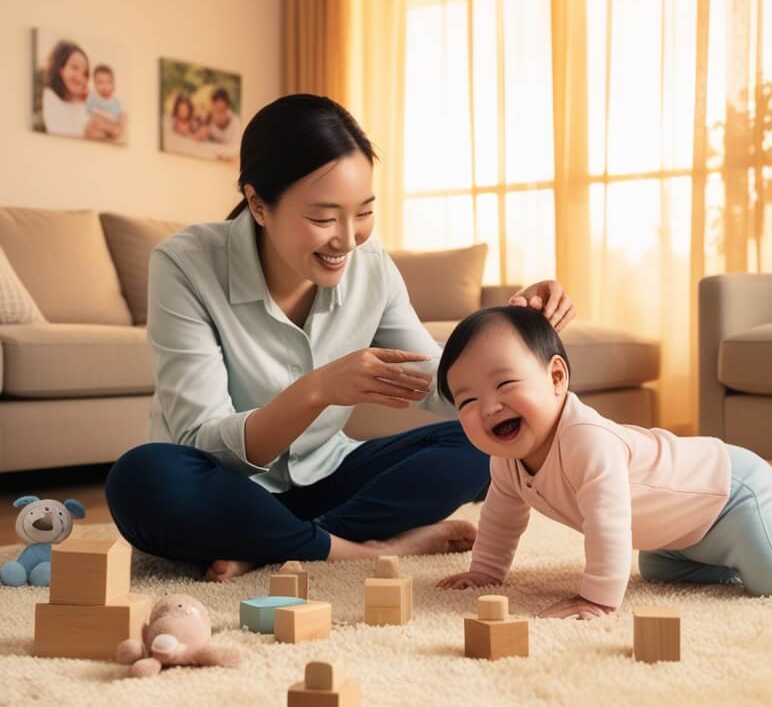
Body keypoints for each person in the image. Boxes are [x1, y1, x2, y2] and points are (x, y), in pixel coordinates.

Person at [105, 94, 575, 582]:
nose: (348, 239)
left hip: (328, 478)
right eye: (324, 218)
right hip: (223, 486)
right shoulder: (184, 265)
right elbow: (201, 441)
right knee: (141, 479)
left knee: (480, 437)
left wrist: (515, 330)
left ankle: (286, 545)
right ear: (258, 203)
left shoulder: (370, 267)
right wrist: (316, 391)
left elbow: (443, 386)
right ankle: (362, 551)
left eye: (364, 213)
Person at [436, 305, 772, 618]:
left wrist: (597, 598)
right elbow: (501, 515)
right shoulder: (507, 462)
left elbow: (609, 524)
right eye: (468, 399)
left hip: (733, 490)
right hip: (680, 531)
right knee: (659, 568)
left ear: (557, 378)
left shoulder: (586, 441)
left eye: (505, 384)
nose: (489, 407)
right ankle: (733, 555)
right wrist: (486, 572)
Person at [40, 40, 121, 141]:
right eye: (75, 68)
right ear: (61, 69)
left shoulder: (87, 102)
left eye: (85, 73)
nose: (80, 77)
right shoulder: (49, 96)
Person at [207, 87, 241, 158]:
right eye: (217, 110)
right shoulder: (208, 120)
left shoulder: (236, 123)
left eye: (222, 110)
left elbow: (236, 150)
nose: (220, 115)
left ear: (227, 107)